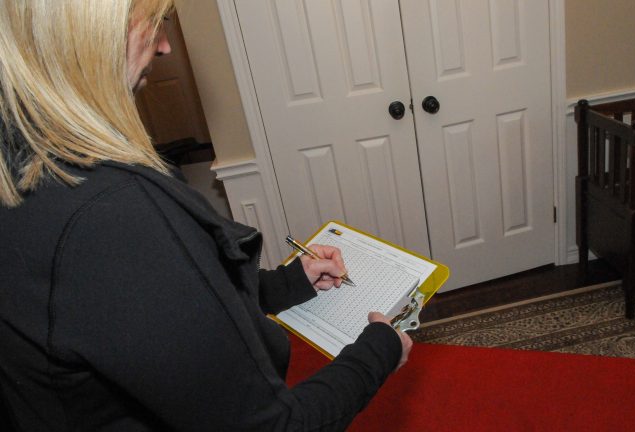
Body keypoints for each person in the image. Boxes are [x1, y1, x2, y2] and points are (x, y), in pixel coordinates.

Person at [0, 0, 412, 430]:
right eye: (154, 23)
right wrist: (377, 353)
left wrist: (287, 283)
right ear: (87, 33)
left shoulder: (29, 173)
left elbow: (151, 314)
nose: (164, 46)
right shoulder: (114, 215)